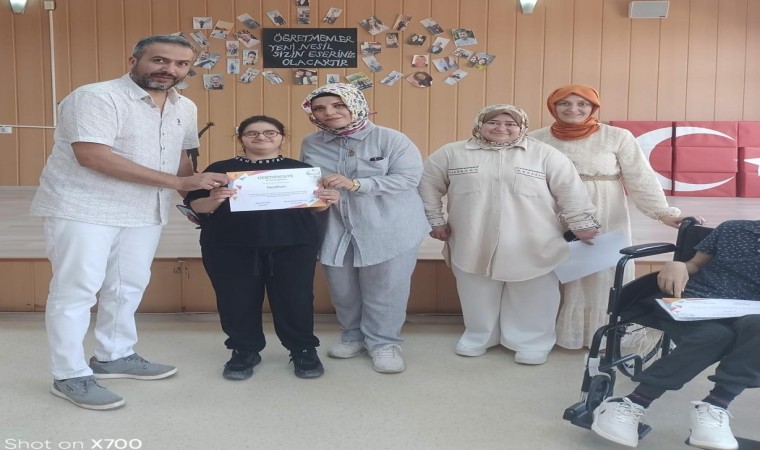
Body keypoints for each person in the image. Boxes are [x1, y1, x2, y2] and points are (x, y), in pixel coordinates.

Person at [29, 35, 229, 410]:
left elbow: (181, 158)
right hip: (83, 207)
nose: (169, 70)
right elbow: (93, 156)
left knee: (129, 285)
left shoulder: (185, 106)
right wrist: (180, 184)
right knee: (76, 291)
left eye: (181, 64)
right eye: (160, 60)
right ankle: (68, 374)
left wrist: (200, 191)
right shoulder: (96, 97)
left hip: (144, 209)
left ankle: (114, 355)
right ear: (134, 60)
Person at [418, 105, 599, 365]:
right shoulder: (452, 153)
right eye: (493, 122)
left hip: (533, 241)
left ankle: (531, 341)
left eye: (510, 123)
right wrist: (435, 220)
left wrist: (581, 223)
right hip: (473, 238)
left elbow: (571, 191)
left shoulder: (545, 154)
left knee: (533, 292)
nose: (501, 128)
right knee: (475, 291)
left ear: (522, 126)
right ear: (479, 124)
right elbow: (427, 185)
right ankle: (479, 336)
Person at [529, 85, 687, 350]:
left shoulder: (617, 136)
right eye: (564, 103)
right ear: (552, 106)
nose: (573, 109)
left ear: (594, 107)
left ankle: (602, 334)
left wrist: (662, 213)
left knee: (602, 272)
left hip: (604, 211)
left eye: (582, 104)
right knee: (552, 271)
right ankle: (541, 333)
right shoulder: (536, 138)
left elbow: (640, 177)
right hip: (552, 211)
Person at [185, 115, 340, 381]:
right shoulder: (220, 169)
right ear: (241, 138)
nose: (261, 137)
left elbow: (315, 208)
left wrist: (327, 200)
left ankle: (302, 349)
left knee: (296, 299)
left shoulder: (300, 170)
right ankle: (244, 350)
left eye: (270, 132)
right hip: (229, 245)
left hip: (293, 244)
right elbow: (196, 205)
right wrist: (215, 198)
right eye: (252, 133)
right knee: (236, 299)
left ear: (281, 137)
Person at [591, 220, 760, 450]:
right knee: (714, 336)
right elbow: (695, 264)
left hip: (750, 313)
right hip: (695, 299)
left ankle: (716, 405)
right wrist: (679, 265)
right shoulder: (733, 229)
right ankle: (631, 403)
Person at [299, 83, 430, 374]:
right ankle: (353, 336)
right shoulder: (311, 143)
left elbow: (408, 179)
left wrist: (357, 184)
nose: (329, 112)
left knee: (386, 288)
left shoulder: (391, 139)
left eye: (338, 105)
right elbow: (308, 182)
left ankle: (384, 343)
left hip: (389, 226)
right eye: (320, 108)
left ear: (355, 105)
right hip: (335, 227)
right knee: (342, 289)